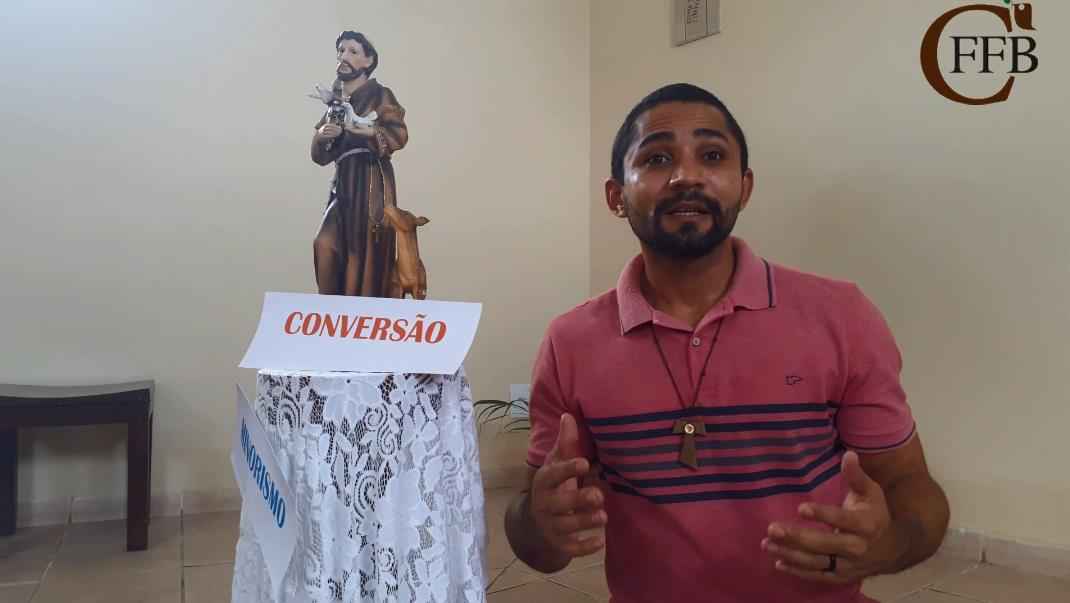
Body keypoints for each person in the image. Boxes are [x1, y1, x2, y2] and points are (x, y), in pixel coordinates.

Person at [505, 83, 950, 602]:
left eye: (712, 156)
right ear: (616, 197)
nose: (686, 176)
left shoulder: (841, 316)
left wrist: (887, 545)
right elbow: (535, 538)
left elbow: (915, 492)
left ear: (745, 186)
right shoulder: (571, 342)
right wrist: (541, 523)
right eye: (656, 158)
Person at [311, 31, 408, 297]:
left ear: (368, 60)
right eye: (341, 50)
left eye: (353, 51)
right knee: (325, 244)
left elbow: (398, 134)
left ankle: (360, 308)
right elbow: (320, 156)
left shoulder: (380, 95)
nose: (344, 56)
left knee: (361, 249)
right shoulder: (336, 101)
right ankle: (330, 309)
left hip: (371, 180)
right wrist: (322, 137)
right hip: (343, 183)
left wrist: (362, 130)